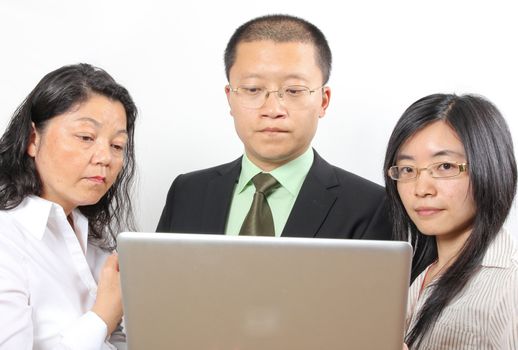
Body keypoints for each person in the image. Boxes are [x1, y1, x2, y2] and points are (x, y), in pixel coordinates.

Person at [157, 14, 391, 242]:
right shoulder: (187, 192)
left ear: (323, 100)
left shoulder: (370, 206)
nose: (273, 109)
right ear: (230, 98)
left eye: (293, 90)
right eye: (252, 89)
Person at [0, 63, 138, 349]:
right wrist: (102, 316)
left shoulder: (98, 245)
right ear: (32, 139)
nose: (105, 158)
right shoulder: (7, 238)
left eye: (117, 145)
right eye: (86, 137)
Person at [384, 93, 518, 349]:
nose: (421, 188)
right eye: (408, 170)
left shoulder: (509, 286)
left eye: (445, 166)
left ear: (489, 167)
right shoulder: (421, 274)